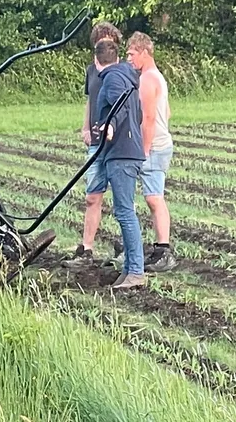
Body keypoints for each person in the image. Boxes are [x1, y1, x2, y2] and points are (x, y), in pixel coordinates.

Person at [62, 22, 123, 269]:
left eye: (109, 39)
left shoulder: (125, 72)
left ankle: (124, 248)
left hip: (117, 143)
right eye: (101, 39)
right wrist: (86, 127)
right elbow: (90, 101)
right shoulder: (91, 71)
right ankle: (86, 249)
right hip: (95, 143)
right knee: (92, 197)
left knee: (122, 199)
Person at [92, 38, 147, 289]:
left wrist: (110, 125)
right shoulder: (127, 78)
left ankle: (136, 271)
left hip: (122, 154)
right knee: (124, 211)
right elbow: (138, 114)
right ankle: (128, 270)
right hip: (128, 150)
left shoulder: (113, 79)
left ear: (96, 61)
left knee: (125, 213)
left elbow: (120, 107)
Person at [125, 31, 177, 272]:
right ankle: (158, 248)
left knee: (154, 198)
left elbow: (147, 118)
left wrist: (143, 150)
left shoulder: (147, 79)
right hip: (160, 143)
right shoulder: (157, 77)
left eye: (132, 54)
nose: (129, 59)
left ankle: (163, 251)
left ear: (144, 52)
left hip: (154, 147)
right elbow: (167, 113)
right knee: (152, 197)